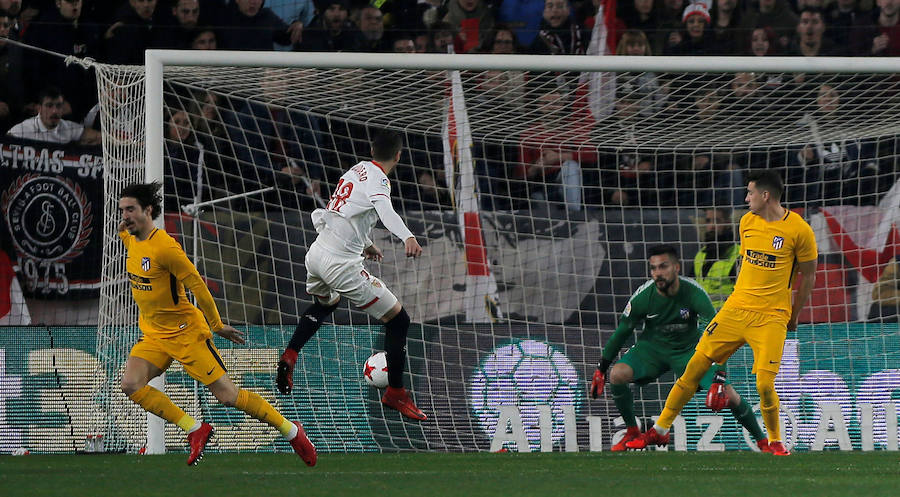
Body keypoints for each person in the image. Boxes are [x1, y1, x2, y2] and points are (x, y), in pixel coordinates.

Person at [117, 182, 316, 466]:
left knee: (228, 396)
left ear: (148, 210)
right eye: (122, 209)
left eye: (131, 209)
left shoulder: (165, 248)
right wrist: (124, 222)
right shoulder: (128, 235)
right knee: (130, 384)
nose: (125, 215)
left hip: (187, 334)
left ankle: (293, 431)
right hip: (154, 335)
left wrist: (217, 324)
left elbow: (197, 285)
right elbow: (122, 229)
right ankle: (195, 429)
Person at [626, 170, 818, 456]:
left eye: (750, 192)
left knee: (765, 383)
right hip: (735, 309)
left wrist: (794, 314)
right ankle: (660, 431)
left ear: (765, 196)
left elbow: (809, 276)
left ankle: (775, 441)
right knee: (694, 368)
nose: (746, 198)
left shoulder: (799, 230)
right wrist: (719, 375)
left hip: (771, 317)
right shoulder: (746, 222)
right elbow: (745, 264)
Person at [276, 130, 428, 421]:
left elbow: (344, 211)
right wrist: (407, 236)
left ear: (372, 149)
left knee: (325, 304)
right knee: (399, 320)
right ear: (398, 156)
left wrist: (367, 244)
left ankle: (291, 353)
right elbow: (385, 210)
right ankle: (396, 392)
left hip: (317, 253)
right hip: (340, 265)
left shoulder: (357, 169)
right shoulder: (380, 180)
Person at [590, 244, 768, 451]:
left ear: (677, 268)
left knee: (727, 393)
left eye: (663, 267)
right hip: (652, 350)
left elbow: (719, 333)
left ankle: (763, 441)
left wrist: (719, 375)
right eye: (654, 268)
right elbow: (623, 331)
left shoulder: (694, 293)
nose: (658, 273)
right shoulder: (643, 297)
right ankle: (632, 431)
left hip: (689, 350)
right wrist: (601, 368)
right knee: (617, 374)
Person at [7, 87, 100, 145]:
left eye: (59, 106)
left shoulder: (67, 127)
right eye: (49, 106)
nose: (54, 111)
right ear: (39, 109)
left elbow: (95, 136)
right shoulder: (22, 130)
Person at [693, 207, 739, 310]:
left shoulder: (737, 255)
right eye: (708, 221)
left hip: (726, 317)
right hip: (702, 317)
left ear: (727, 223)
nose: (712, 226)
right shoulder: (700, 254)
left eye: (717, 221)